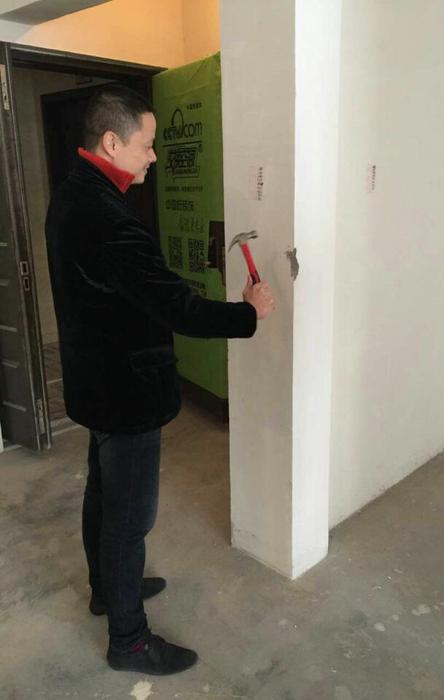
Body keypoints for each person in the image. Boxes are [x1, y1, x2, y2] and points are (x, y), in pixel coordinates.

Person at [45, 84, 275, 676]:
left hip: (96, 382)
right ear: (112, 141)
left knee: (104, 494)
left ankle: (105, 590)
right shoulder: (106, 218)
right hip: (125, 392)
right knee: (128, 519)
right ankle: (128, 642)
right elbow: (177, 307)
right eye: (146, 144)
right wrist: (248, 313)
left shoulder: (73, 194)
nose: (153, 156)